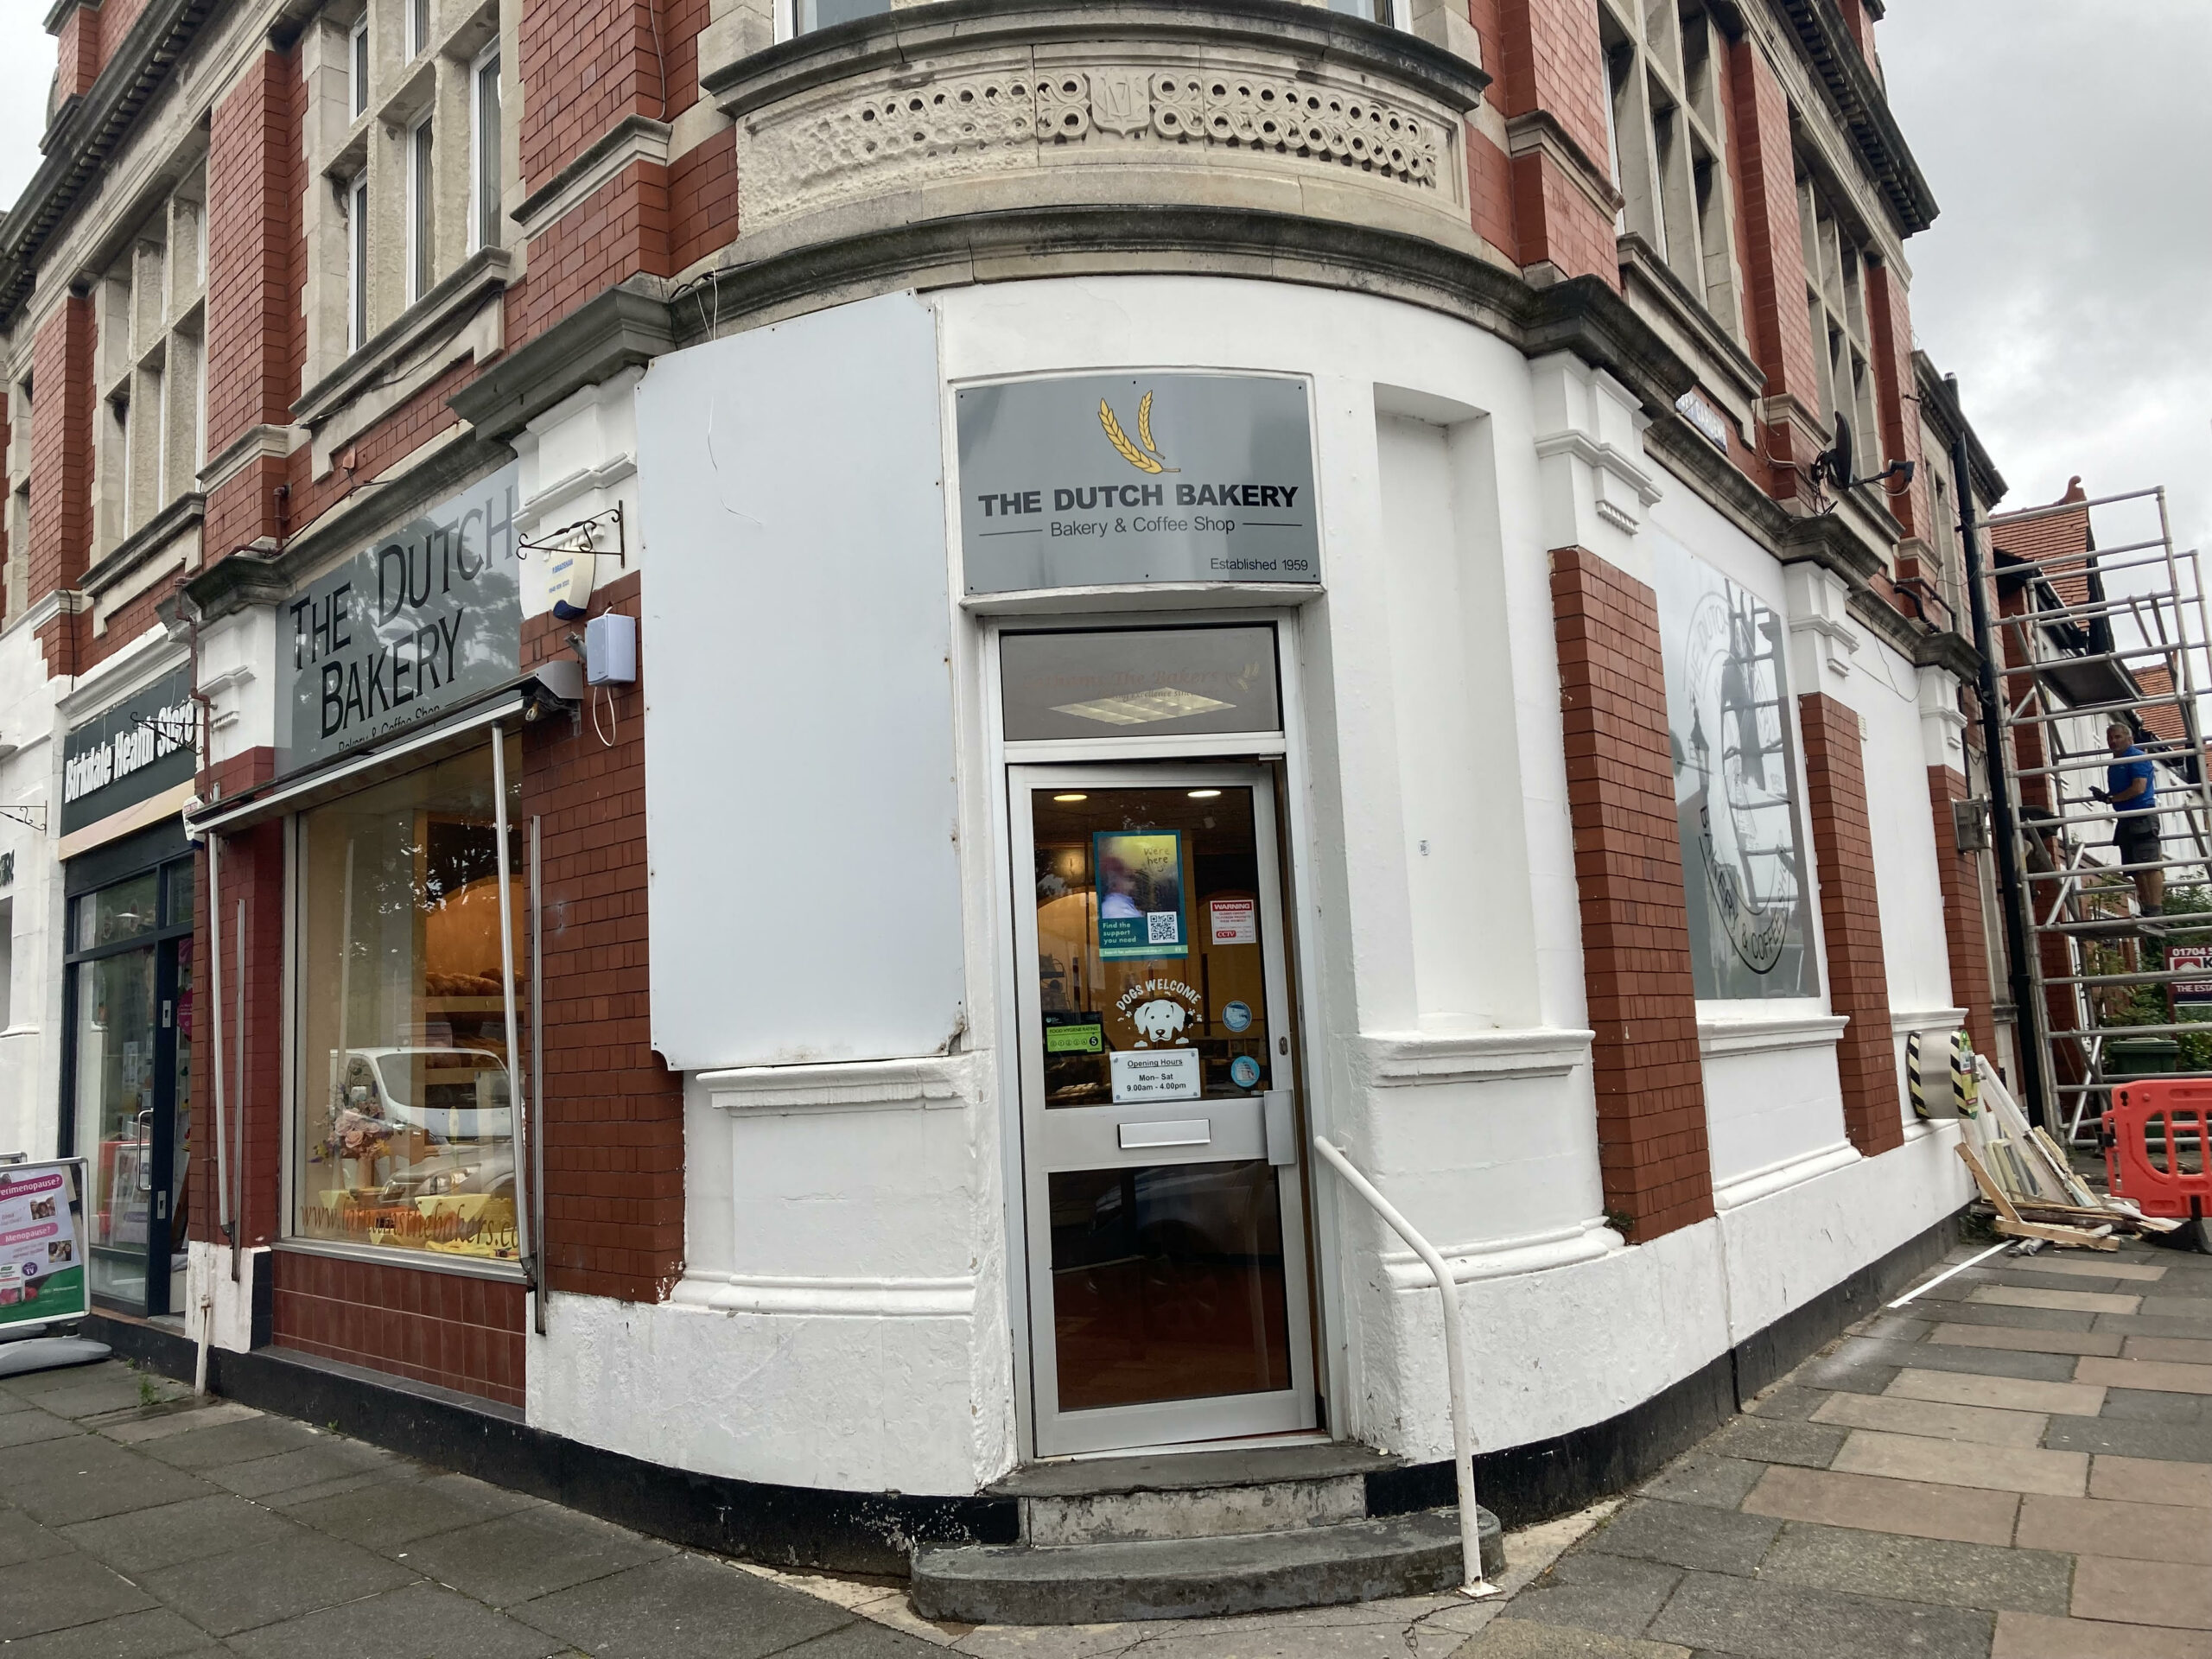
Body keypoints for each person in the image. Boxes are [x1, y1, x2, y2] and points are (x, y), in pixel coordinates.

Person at [2090, 721, 2162, 918]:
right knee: (2135, 868)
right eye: (2110, 738)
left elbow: (2138, 787)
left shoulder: (2136, 758)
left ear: (2129, 739)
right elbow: (2123, 791)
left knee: (2149, 864)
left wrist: (2111, 798)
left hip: (2141, 815)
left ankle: (2155, 908)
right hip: (2125, 817)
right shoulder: (2115, 764)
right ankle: (2148, 908)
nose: (2113, 741)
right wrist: (2107, 797)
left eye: (2117, 737)